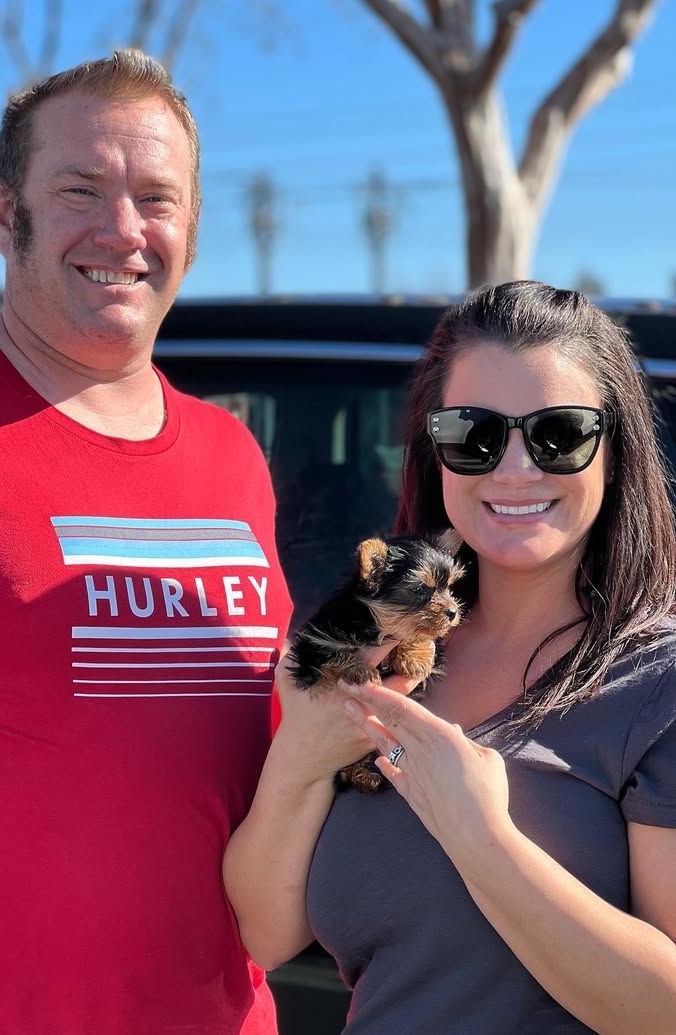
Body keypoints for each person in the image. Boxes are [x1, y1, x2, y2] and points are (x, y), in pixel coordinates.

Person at [0, 51, 290, 1035]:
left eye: (156, 197)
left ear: (193, 227)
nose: (123, 230)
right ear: (6, 216)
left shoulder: (231, 458)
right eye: (81, 190)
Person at [224, 281, 676, 1033]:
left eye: (560, 432)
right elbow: (269, 933)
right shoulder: (380, 650)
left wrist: (481, 837)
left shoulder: (657, 681)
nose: (516, 468)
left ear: (615, 448)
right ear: (434, 452)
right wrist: (303, 750)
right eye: (475, 433)